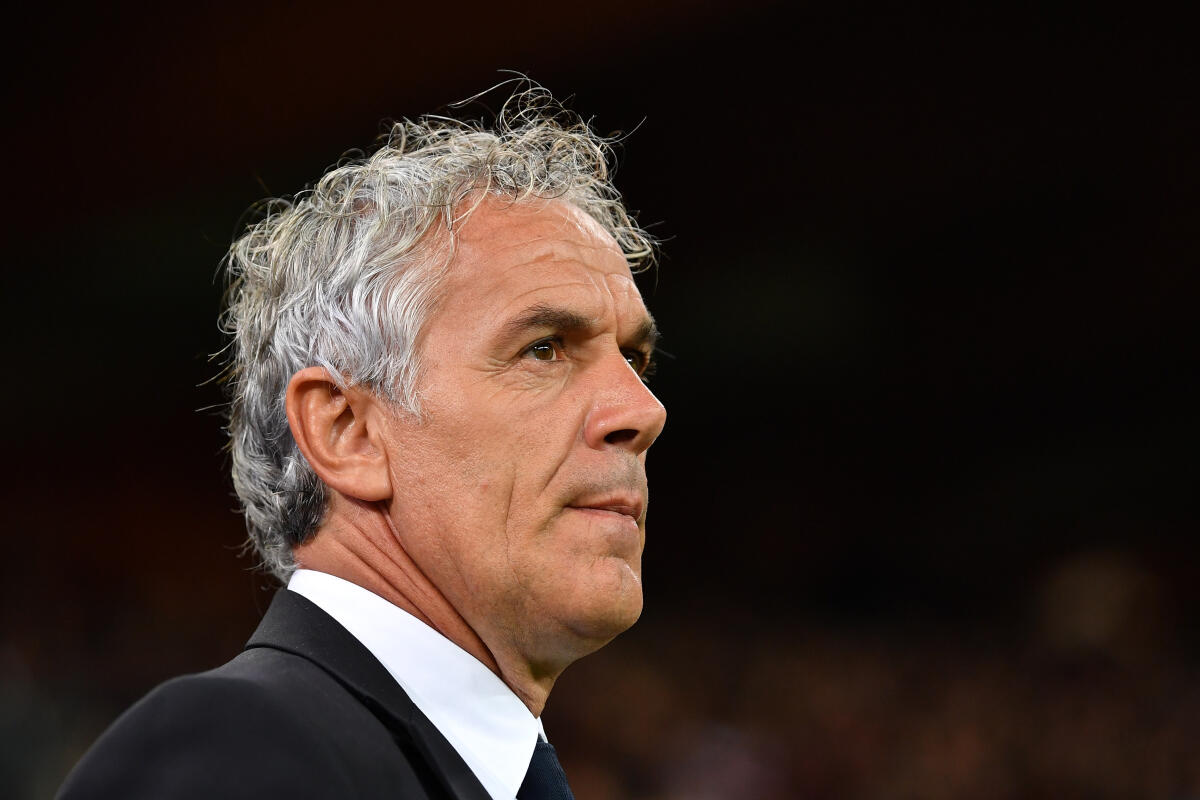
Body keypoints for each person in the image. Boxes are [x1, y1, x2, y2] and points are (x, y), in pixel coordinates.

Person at [57, 87, 667, 800]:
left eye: (636, 359)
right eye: (544, 349)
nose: (642, 408)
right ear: (346, 432)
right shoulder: (237, 751)